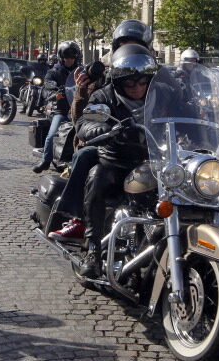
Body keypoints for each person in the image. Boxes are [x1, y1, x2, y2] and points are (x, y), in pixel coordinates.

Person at [76, 43, 158, 277]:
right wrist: (107, 129)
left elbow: (186, 112)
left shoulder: (162, 94)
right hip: (117, 162)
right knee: (97, 176)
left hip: (156, 163)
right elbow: (85, 123)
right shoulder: (105, 95)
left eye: (143, 81)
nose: (137, 87)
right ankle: (92, 249)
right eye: (131, 82)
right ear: (119, 81)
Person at [32, 41, 82, 173]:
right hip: (62, 109)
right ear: (61, 57)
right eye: (67, 57)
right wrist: (54, 92)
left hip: (79, 109)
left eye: (72, 57)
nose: (70, 60)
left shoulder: (81, 71)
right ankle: (46, 160)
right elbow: (46, 88)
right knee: (52, 134)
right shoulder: (53, 71)